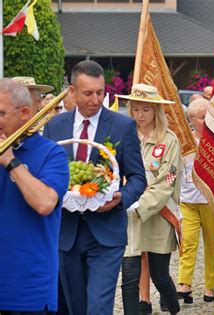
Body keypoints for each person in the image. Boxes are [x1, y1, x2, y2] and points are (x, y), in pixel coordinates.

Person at [43, 60, 147, 315]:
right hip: (67, 233)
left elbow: (138, 178)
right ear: (73, 92)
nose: (95, 99)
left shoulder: (123, 126)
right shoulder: (55, 126)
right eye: (88, 93)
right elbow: (46, 174)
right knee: (75, 307)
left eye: (100, 92)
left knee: (98, 308)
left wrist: (121, 198)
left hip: (106, 233)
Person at [0, 79, 69, 313]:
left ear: (24, 113)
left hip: (27, 291)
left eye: (0, 113)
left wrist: (10, 161)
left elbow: (44, 203)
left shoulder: (52, 153)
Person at [117, 83, 182, 315]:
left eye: (146, 109)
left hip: (158, 214)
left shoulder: (169, 140)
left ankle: (174, 308)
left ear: (156, 110)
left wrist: (140, 204)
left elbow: (168, 180)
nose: (140, 115)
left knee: (159, 275)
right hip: (129, 215)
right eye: (136, 109)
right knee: (129, 274)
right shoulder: (124, 135)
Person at [177, 98, 214, 303]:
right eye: (203, 117)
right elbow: (174, 171)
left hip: (210, 201)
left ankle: (210, 287)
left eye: (209, 116)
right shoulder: (184, 143)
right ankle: (185, 284)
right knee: (188, 241)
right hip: (187, 200)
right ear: (191, 120)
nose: (207, 120)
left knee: (212, 244)